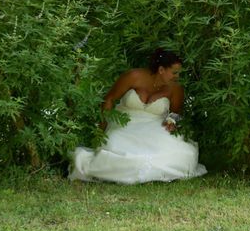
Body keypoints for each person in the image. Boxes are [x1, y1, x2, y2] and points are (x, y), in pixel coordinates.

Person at [69, 48, 207, 184]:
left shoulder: (176, 88)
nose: (177, 77)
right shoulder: (133, 76)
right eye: (174, 73)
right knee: (114, 146)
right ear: (161, 70)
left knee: (178, 153)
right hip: (125, 124)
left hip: (156, 127)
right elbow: (109, 99)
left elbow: (176, 112)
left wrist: (171, 121)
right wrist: (101, 129)